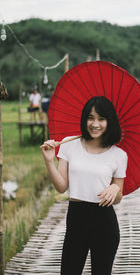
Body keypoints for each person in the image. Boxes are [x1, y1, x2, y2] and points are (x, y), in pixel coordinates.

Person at [40, 96, 128, 275]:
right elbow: (61, 186)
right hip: (76, 218)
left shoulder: (119, 155)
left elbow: (117, 198)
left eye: (101, 119)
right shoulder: (69, 144)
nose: (95, 124)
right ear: (84, 119)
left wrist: (115, 188)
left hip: (105, 221)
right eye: (90, 118)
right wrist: (50, 161)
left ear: (109, 121)